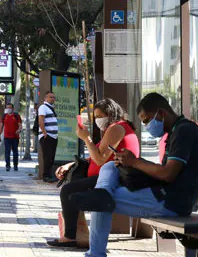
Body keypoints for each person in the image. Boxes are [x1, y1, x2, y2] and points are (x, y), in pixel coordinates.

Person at [60, 93, 198, 257]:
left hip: (171, 201)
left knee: (100, 202)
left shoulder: (185, 132)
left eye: (147, 120)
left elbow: (168, 174)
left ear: (161, 113)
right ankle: (103, 192)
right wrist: (131, 162)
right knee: (109, 169)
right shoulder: (177, 131)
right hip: (161, 194)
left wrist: (135, 162)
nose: (147, 126)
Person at [47, 98, 140, 248]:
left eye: (99, 116)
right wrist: (70, 164)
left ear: (110, 114)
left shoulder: (117, 128)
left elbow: (100, 159)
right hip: (106, 176)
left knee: (68, 191)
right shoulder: (113, 128)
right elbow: (94, 156)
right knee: (71, 186)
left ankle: (70, 236)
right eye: (95, 117)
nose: (98, 121)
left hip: (115, 178)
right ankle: (75, 233)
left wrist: (86, 138)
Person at [38, 91, 59, 182]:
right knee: (47, 156)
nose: (53, 99)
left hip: (53, 136)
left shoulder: (51, 108)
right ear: (45, 98)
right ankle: (46, 176)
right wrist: (45, 133)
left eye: (54, 97)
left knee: (51, 157)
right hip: (47, 136)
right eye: (51, 97)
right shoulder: (43, 107)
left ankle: (49, 175)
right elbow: (41, 120)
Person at [0, 103, 22, 171]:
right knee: (7, 152)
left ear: (13, 108)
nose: (9, 109)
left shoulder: (16, 116)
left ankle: (15, 165)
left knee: (15, 152)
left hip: (15, 137)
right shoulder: (4, 116)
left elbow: (20, 125)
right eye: (7, 108)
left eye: (10, 108)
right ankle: (7, 166)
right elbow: (1, 126)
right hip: (7, 137)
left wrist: (19, 130)